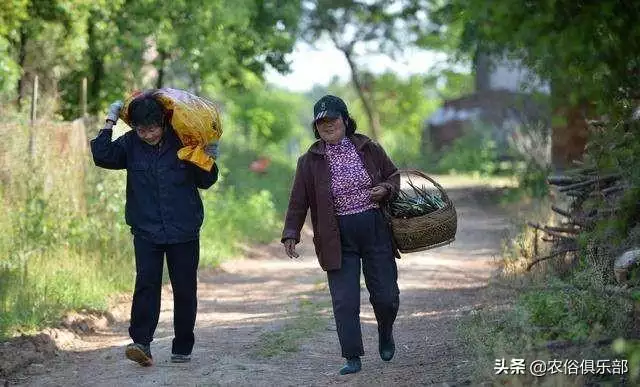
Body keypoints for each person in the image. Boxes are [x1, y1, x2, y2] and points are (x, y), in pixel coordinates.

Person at [90, 96, 219, 366]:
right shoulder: (130, 145)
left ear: (162, 122)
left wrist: (209, 155)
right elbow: (102, 155)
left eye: (152, 128)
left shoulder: (184, 140)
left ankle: (182, 346)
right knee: (146, 284)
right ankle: (142, 344)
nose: (147, 135)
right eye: (141, 130)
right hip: (146, 229)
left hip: (184, 228)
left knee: (184, 288)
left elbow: (206, 181)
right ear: (134, 128)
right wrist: (110, 120)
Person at [281, 95, 401, 375]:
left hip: (374, 229)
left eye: (332, 120)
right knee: (344, 300)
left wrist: (385, 189)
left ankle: (385, 330)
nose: (327, 126)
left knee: (386, 296)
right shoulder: (308, 161)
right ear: (315, 127)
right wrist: (291, 233)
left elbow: (393, 175)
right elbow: (298, 201)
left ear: (345, 120)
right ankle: (352, 357)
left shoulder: (369, 148)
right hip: (336, 237)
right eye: (321, 122)